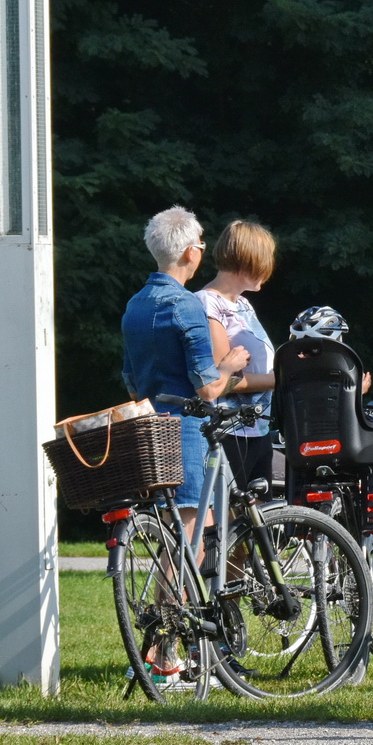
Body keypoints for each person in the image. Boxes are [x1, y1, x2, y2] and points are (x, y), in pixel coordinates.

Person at [121, 206, 252, 540]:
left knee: (177, 532)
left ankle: (171, 594)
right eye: (203, 245)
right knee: (192, 535)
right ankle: (174, 597)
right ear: (191, 252)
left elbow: (133, 386)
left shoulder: (136, 303)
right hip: (187, 432)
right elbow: (208, 389)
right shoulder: (186, 303)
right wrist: (228, 366)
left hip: (151, 432)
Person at [196, 220, 278, 488]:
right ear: (249, 261)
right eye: (266, 261)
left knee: (261, 520)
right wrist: (281, 379)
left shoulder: (243, 304)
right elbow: (223, 382)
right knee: (231, 522)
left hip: (258, 429)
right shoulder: (208, 303)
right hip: (228, 432)